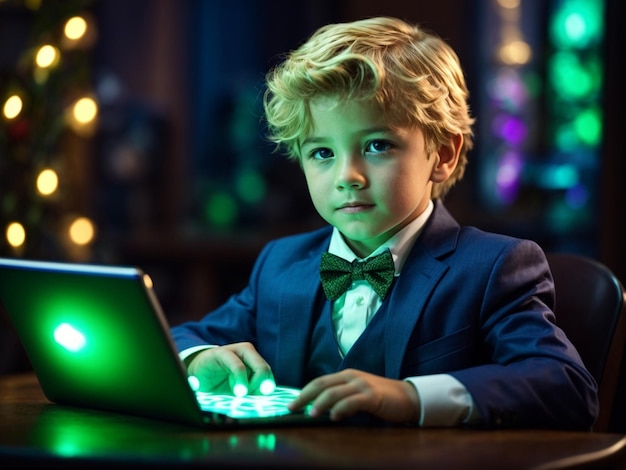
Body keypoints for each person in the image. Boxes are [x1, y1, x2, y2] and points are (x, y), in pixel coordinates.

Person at [171, 16, 598, 429]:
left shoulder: (494, 268)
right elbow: (176, 338)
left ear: (443, 155)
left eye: (377, 145)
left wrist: (412, 398)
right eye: (322, 153)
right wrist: (198, 357)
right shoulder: (280, 264)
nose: (347, 177)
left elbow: (566, 385)